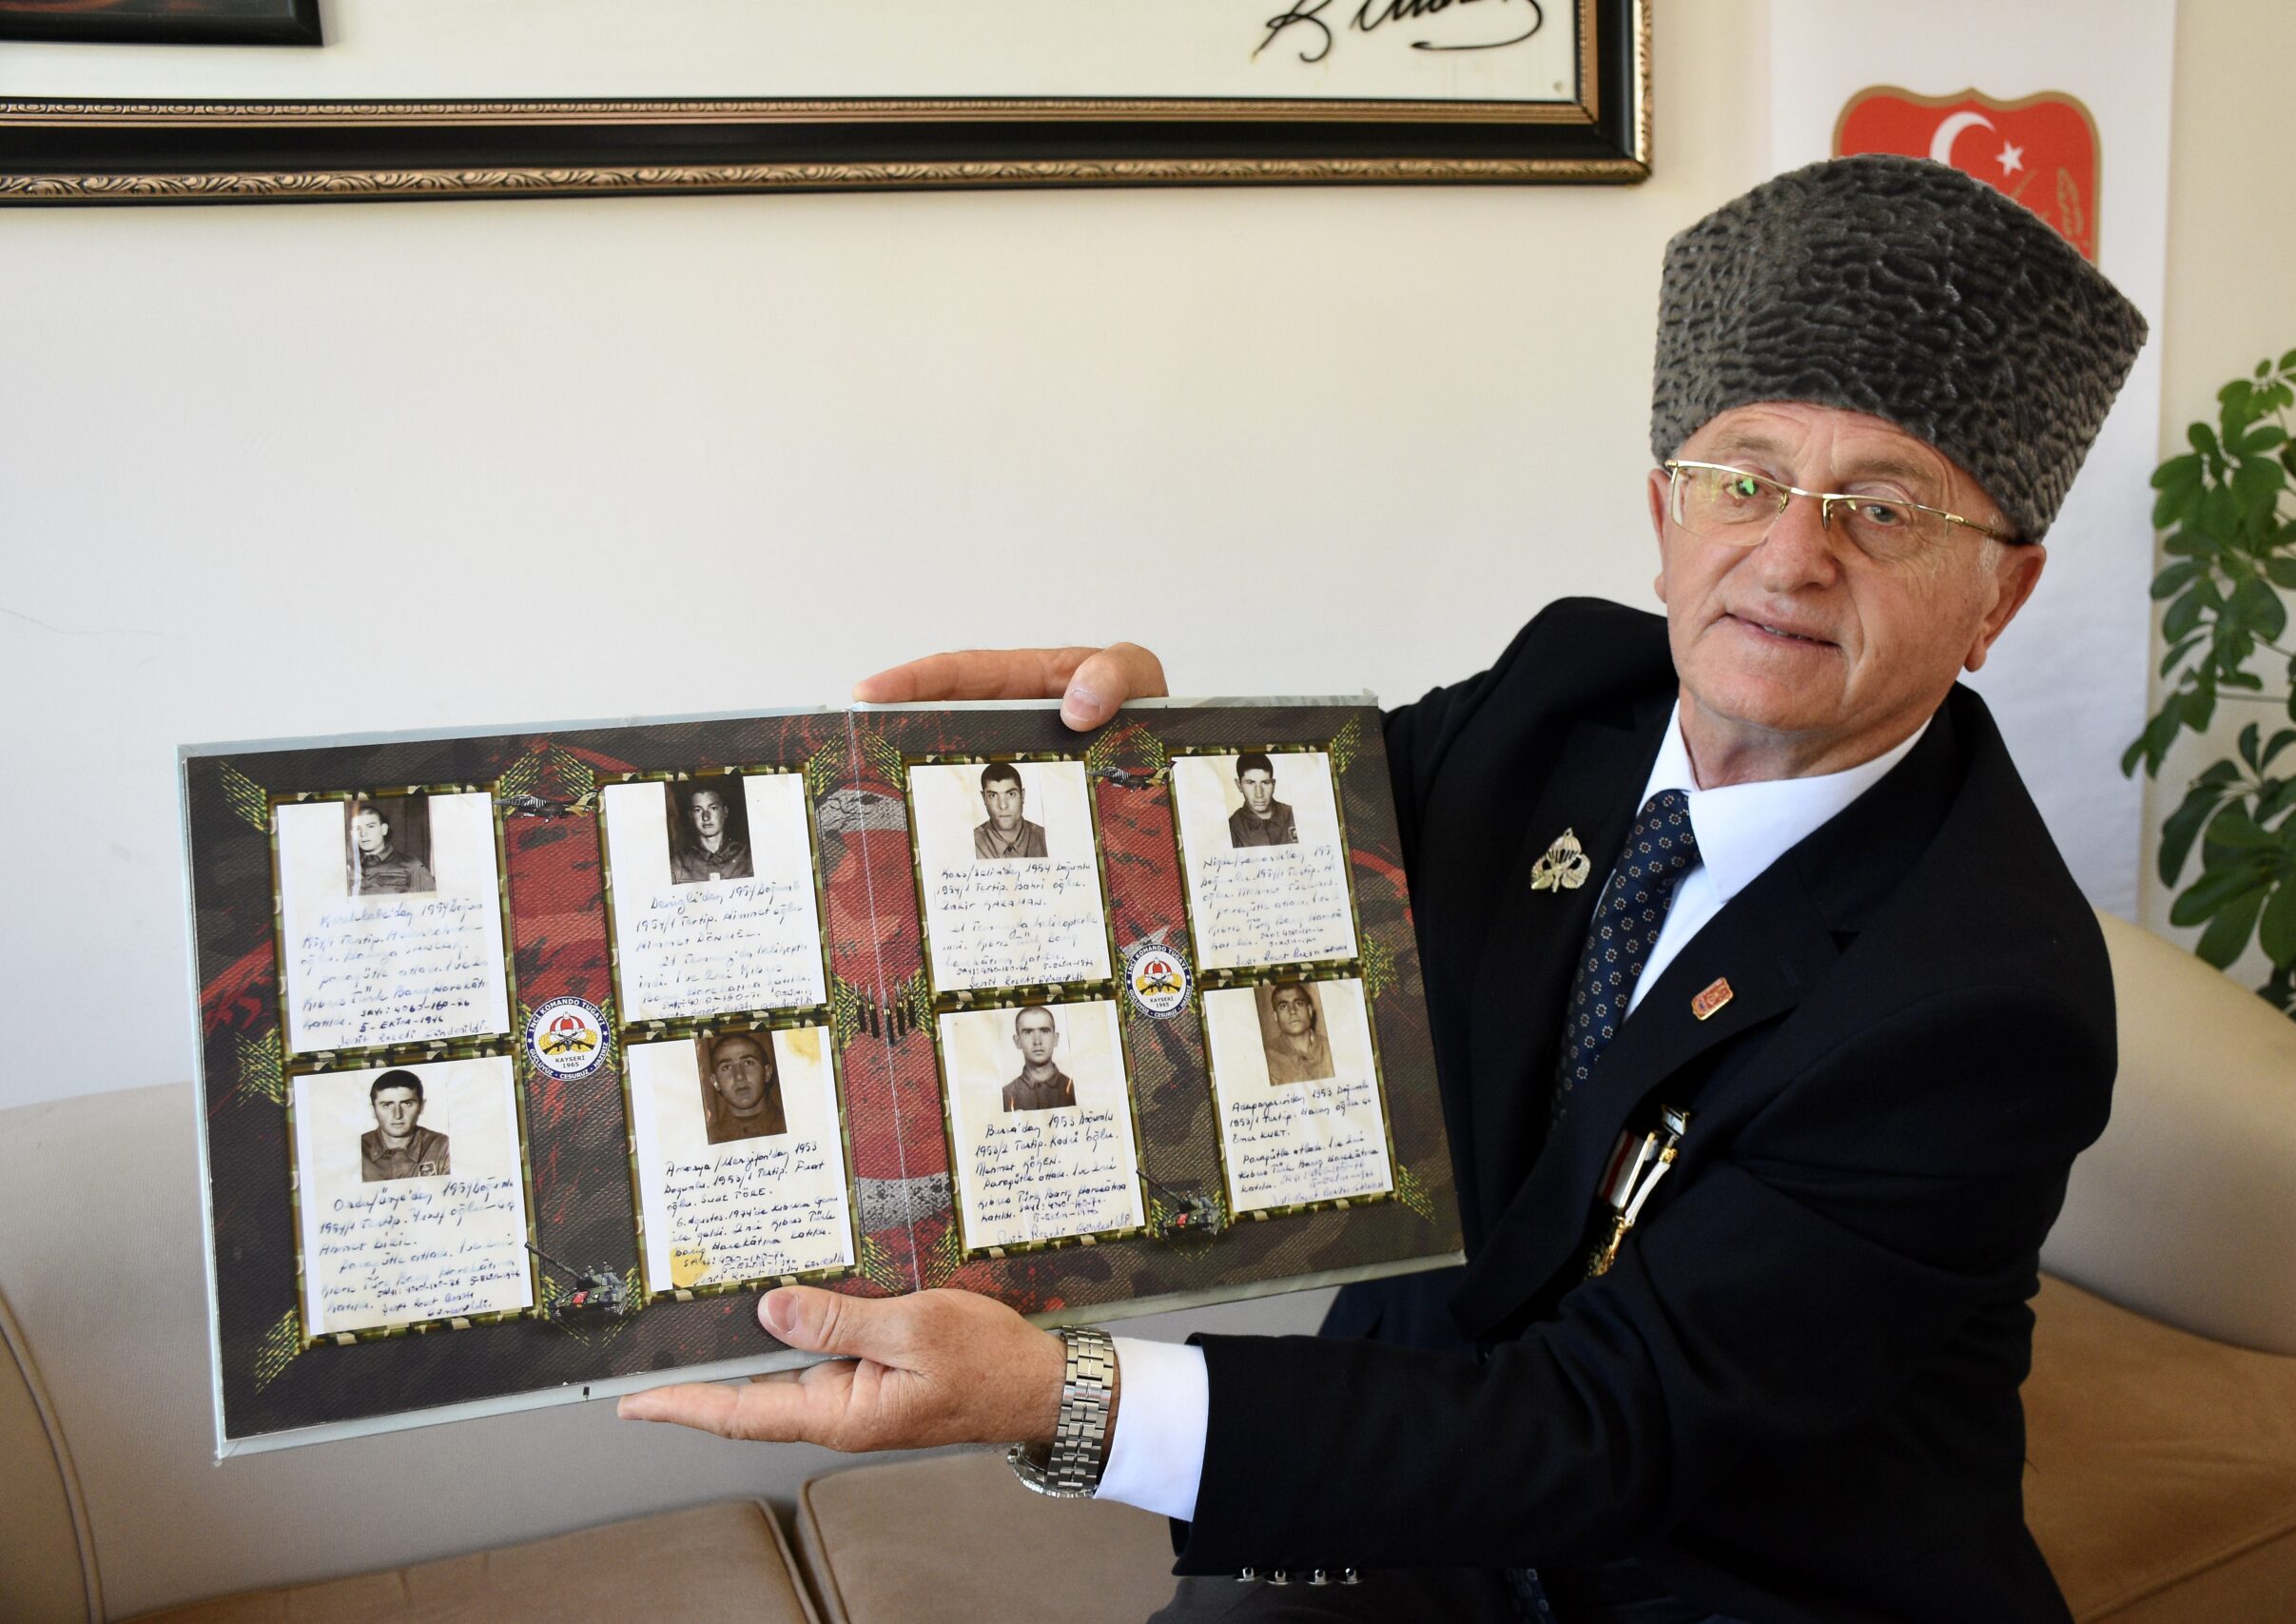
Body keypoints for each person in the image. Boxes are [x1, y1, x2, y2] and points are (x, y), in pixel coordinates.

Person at [619, 156, 2147, 1624]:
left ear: (1999, 595)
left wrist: (1061, 1393)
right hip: (1387, 1511)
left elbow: (1600, 1428)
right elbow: (1263, 893)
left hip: (1732, 1577)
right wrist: (1120, 779)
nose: (1792, 554)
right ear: (1665, 518)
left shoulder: (1986, 997)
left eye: (1885, 508)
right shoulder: (1562, 692)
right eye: (1743, 479)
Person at [360, 1069, 449, 1181]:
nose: (397, 1115)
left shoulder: (443, 1147)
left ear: (421, 1106)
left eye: (407, 1103)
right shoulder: (356, 1149)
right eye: (387, 1105)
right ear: (373, 1110)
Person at [702, 1032, 788, 1145]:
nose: (739, 1076)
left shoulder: (795, 1125)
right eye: (726, 1067)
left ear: (767, 1073)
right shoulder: (706, 1140)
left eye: (748, 1063)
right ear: (715, 1082)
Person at [671, 780, 753, 884]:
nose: (706, 817)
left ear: (725, 811)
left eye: (713, 808)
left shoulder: (747, 857)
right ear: (691, 816)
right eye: (698, 810)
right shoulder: (679, 863)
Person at [346, 798, 435, 895]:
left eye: (370, 826)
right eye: (357, 828)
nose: (363, 834)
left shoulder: (412, 865)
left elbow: (431, 900)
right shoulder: (347, 867)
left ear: (384, 829)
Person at [1002, 1005, 1077, 1112]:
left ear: (1055, 1039)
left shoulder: (1075, 1089)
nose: (1037, 1041)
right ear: (1017, 1041)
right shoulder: (1005, 1096)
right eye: (1028, 1032)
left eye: (1045, 1031)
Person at [972, 763, 1051, 860]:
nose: (1003, 805)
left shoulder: (1048, 838)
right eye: (993, 795)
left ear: (1022, 795)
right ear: (984, 798)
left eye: (1011, 794)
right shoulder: (969, 843)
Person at [1261, 981, 1333, 1086]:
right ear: (1276, 1016)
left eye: (1299, 1004)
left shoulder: (1330, 1048)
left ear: (1309, 1010)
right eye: (1283, 1007)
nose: (1292, 1011)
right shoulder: (1267, 1059)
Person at [1227, 753, 1298, 848]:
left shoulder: (1294, 815)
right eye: (1250, 783)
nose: (1259, 794)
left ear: (1273, 784)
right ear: (1239, 785)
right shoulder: (1232, 827)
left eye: (1265, 782)